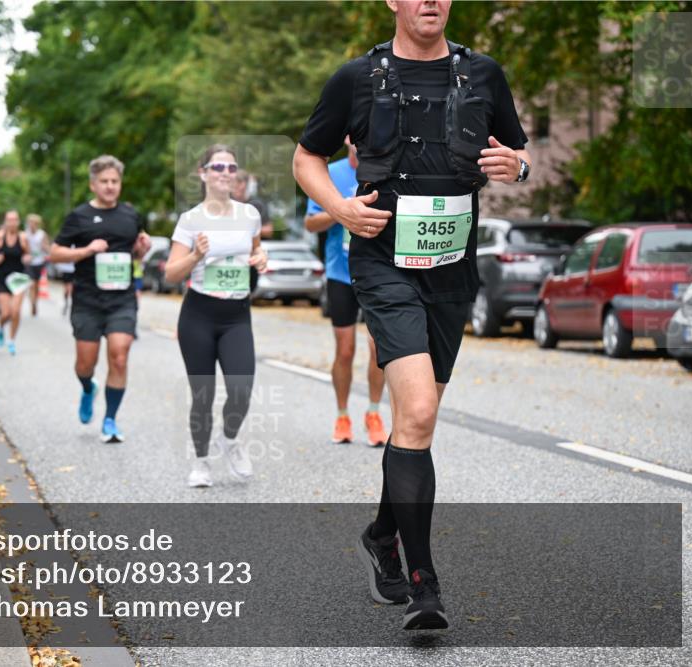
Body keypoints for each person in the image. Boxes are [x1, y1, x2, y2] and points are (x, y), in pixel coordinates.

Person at [293, 0, 531, 631]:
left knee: (413, 423)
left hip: (453, 268)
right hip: (382, 263)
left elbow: (514, 152)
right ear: (394, 2)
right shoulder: (356, 78)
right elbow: (305, 159)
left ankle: (380, 533)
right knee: (419, 411)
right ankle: (425, 586)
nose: (429, 0)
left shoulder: (484, 74)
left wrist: (519, 165)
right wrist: (341, 209)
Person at [165, 145, 267, 487]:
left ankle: (229, 438)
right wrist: (195, 255)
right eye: (219, 166)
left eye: (231, 167)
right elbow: (171, 274)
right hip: (199, 314)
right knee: (203, 394)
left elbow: (255, 252)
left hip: (237, 314)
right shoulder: (190, 220)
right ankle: (201, 463)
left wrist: (261, 260)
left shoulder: (250, 215)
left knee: (241, 389)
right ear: (203, 172)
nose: (226, 172)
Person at [48, 155, 151, 444]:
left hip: (122, 298)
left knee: (119, 355)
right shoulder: (78, 217)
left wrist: (143, 248)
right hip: (88, 300)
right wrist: (86, 250)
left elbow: (136, 251)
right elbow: (55, 253)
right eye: (104, 181)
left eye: (114, 181)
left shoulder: (131, 215)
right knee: (85, 364)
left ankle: (110, 419)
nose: (110, 186)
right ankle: (87, 387)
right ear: (93, 185)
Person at [305, 137, 389, 447]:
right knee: (345, 350)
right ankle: (342, 415)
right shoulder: (331, 174)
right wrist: (342, 209)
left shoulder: (385, 171)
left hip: (378, 273)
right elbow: (310, 223)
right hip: (340, 274)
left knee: (379, 350)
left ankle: (374, 412)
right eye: (357, 136)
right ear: (347, 140)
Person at [0, 210, 31, 355]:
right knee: (6, 313)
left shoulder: (23, 237)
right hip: (2, 279)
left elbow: (28, 254)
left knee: (16, 312)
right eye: (9, 220)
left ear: (18, 222)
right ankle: (0, 327)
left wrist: (27, 258)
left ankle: (11, 340)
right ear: (5, 222)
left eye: (15, 220)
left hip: (18, 279)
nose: (12, 223)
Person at [231, 169, 274, 239]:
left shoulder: (258, 204)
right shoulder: (225, 204)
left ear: (247, 184)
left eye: (239, 182)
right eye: (232, 182)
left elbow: (269, 231)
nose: (235, 186)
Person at [25, 214, 50, 316]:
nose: (31, 225)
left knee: (37, 284)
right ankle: (32, 304)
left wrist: (45, 247)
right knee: (32, 284)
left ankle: (35, 302)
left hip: (39, 261)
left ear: (37, 224)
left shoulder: (42, 234)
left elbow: (47, 247)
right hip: (30, 262)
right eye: (30, 222)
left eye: (33, 223)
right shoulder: (25, 234)